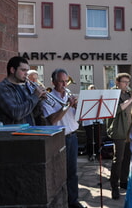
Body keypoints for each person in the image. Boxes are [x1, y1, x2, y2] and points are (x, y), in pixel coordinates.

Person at [41, 68, 86, 208]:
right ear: (53, 82)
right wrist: (67, 106)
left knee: (72, 171)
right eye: (61, 81)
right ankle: (59, 202)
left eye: (66, 81)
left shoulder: (69, 95)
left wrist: (78, 106)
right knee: (59, 173)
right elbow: (53, 120)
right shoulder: (47, 98)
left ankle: (73, 201)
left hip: (72, 137)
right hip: (59, 138)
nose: (65, 85)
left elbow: (79, 117)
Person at [106, 73, 132, 199]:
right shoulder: (112, 94)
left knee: (127, 158)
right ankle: (114, 186)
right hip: (119, 130)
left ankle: (124, 182)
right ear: (117, 82)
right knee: (118, 159)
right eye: (124, 82)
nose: (126, 84)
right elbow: (115, 110)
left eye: (128, 82)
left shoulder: (127, 93)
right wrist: (131, 99)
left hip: (130, 130)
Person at [0, 56, 46, 125]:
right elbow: (16, 113)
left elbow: (32, 114)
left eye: (27, 70)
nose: (26, 73)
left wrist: (39, 100)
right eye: (23, 70)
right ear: (12, 70)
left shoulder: (24, 87)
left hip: (29, 132)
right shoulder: (2, 88)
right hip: (12, 134)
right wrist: (35, 96)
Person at [82, 84, 104, 161]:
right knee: (90, 139)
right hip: (88, 121)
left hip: (98, 120)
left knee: (98, 138)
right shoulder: (86, 99)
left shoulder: (99, 99)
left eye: (94, 89)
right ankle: (90, 154)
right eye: (91, 90)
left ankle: (98, 154)